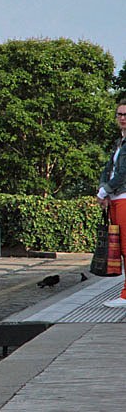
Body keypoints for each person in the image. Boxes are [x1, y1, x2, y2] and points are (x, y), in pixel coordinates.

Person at [98, 101, 126, 308]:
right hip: (116, 199)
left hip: (124, 198)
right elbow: (108, 169)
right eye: (120, 114)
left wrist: (105, 190)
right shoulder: (119, 142)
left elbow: (124, 173)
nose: (123, 118)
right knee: (121, 248)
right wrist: (103, 189)